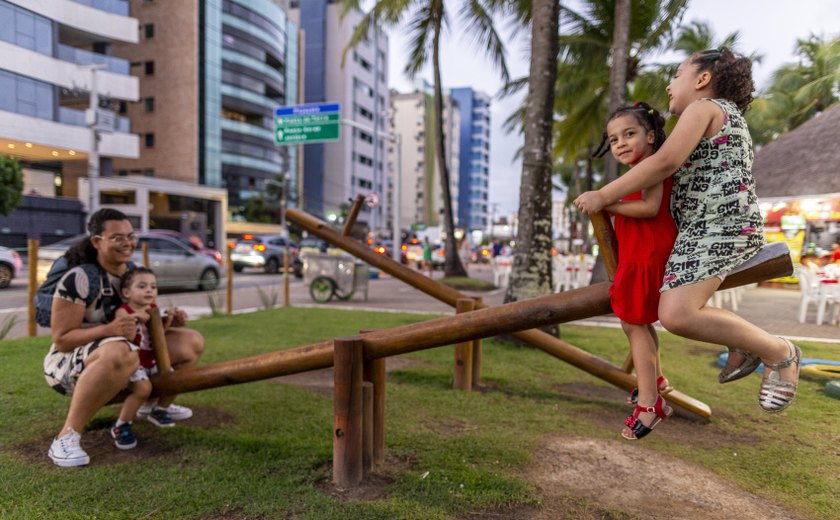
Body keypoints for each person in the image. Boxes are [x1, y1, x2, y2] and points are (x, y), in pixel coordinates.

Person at [574, 47, 802, 414]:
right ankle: (741, 344)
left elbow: (664, 163)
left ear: (702, 79)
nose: (669, 85)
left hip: (721, 226)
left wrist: (603, 195)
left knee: (677, 314)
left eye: (677, 75)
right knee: (676, 309)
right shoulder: (723, 117)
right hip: (703, 229)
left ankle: (779, 351)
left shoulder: (704, 108)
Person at [44, 208, 205, 467]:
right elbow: (62, 339)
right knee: (122, 351)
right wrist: (111, 330)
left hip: (125, 353)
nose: (127, 243)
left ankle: (151, 406)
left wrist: (166, 320)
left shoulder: (131, 273)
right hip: (68, 365)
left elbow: (141, 321)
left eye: (130, 236)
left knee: (191, 341)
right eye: (117, 237)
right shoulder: (80, 279)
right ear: (97, 241)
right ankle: (66, 437)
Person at [594, 102, 677, 439]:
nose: (621, 144)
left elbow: (650, 206)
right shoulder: (639, 169)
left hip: (647, 255)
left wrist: (604, 201)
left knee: (634, 325)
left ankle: (649, 403)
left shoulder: (652, 166)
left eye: (629, 134)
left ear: (651, 135)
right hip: (638, 255)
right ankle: (655, 381)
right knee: (638, 323)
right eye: (614, 140)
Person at [108, 267, 178, 450]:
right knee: (142, 389)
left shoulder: (154, 308)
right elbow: (126, 338)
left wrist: (168, 319)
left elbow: (157, 336)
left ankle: (159, 410)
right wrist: (135, 319)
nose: (149, 290)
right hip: (134, 361)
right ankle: (121, 425)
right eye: (142, 286)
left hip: (152, 359)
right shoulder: (123, 312)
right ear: (127, 292)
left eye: (153, 287)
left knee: (174, 381)